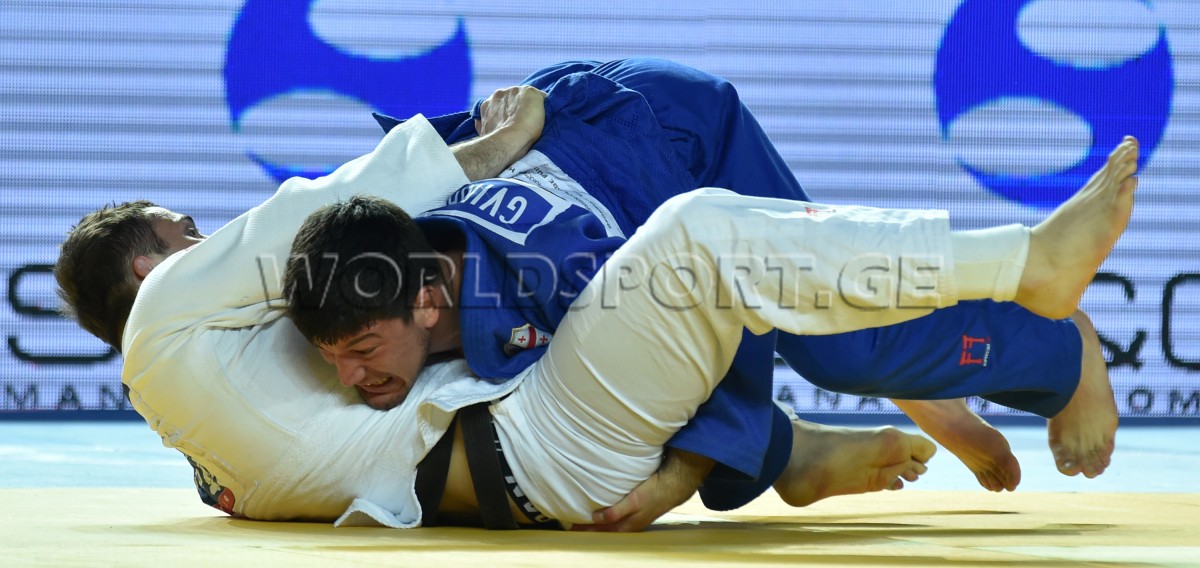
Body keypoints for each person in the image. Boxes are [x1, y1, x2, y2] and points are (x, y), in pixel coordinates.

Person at [53, 87, 932, 527]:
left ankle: (785, 442)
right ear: (148, 269)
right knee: (654, 269)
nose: (208, 237)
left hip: (500, 462)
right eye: (187, 232)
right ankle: (796, 428)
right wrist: (501, 139)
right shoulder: (176, 310)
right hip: (535, 441)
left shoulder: (208, 461)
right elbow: (318, 210)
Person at [360, 58, 1114, 521]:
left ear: (424, 303)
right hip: (585, 137)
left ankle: (1061, 348)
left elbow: (713, 291)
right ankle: (868, 403)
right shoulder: (368, 253)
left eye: (361, 350)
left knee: (840, 351)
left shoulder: (559, 268)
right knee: (805, 336)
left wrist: (682, 477)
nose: (351, 374)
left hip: (672, 137)